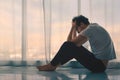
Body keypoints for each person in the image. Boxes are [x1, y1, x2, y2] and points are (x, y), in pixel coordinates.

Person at [37, 15, 116, 73]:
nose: (79, 32)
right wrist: (75, 28)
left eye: (77, 29)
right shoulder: (94, 27)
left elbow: (68, 43)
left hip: (98, 67)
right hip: (100, 65)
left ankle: (51, 65)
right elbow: (73, 45)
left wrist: (72, 28)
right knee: (73, 47)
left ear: (81, 24)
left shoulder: (90, 29)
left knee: (68, 45)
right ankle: (54, 65)